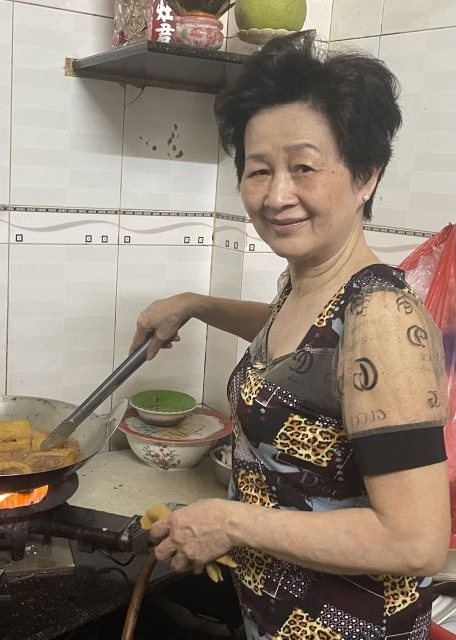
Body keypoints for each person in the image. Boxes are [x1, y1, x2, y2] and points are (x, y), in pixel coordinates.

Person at [130, 31, 450, 639]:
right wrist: (198, 305)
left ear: (366, 176)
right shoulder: (309, 283)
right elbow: (304, 353)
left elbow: (417, 543)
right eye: (259, 171)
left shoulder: (381, 316)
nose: (277, 195)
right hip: (276, 616)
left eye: (303, 167)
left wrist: (232, 523)